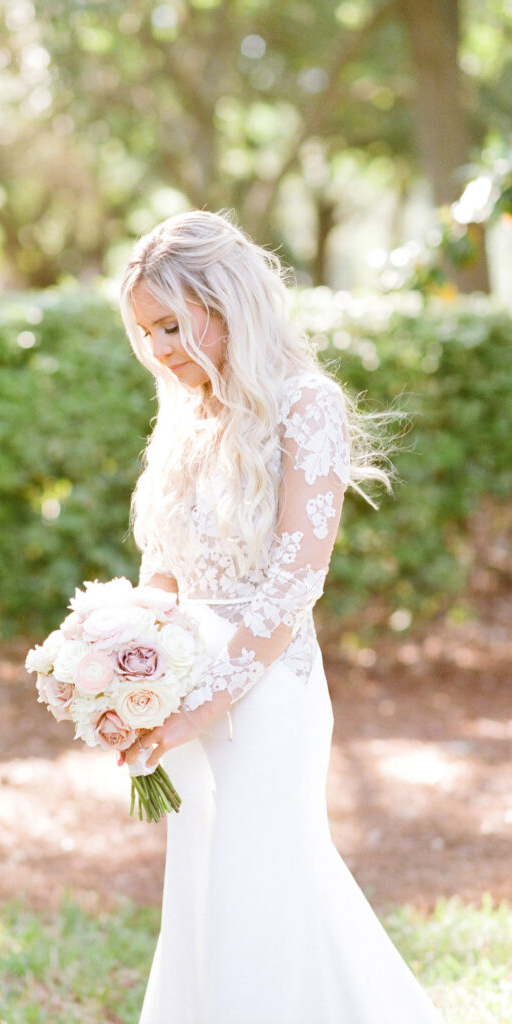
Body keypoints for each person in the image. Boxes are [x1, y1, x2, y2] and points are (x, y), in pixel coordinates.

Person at [118, 210, 444, 1024]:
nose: (157, 349)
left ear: (223, 302)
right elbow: (163, 568)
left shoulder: (306, 404)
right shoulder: (183, 418)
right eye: (143, 332)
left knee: (258, 878)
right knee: (201, 884)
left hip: (264, 689)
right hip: (186, 685)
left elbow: (293, 583)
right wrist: (126, 671)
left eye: (169, 324)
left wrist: (209, 699)